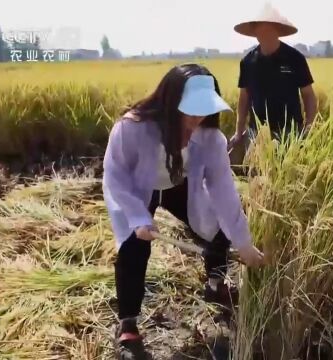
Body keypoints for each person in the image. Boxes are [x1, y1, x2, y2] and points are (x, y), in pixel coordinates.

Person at [102, 63, 265, 360]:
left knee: (216, 226)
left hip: (179, 182)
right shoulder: (132, 128)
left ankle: (215, 285)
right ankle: (127, 324)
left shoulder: (211, 138)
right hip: (140, 188)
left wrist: (243, 242)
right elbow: (116, 177)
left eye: (203, 110)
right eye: (190, 110)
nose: (197, 118)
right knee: (134, 246)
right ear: (170, 101)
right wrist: (138, 218)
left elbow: (223, 191)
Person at [228, 3, 317, 155]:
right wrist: (238, 131)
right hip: (257, 132)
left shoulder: (294, 58)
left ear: (278, 29)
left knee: (288, 175)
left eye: (268, 27)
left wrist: (309, 126)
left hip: (290, 132)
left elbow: (308, 94)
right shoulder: (248, 62)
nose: (263, 32)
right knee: (256, 174)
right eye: (259, 27)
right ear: (254, 31)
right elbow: (244, 98)